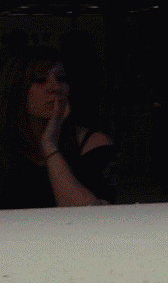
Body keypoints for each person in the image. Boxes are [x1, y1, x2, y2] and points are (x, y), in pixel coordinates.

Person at [0, 49, 113, 208]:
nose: (55, 87)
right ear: (17, 89)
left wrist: (49, 144)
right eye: (40, 80)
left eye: (61, 78)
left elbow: (86, 213)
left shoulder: (92, 143)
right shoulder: (5, 147)